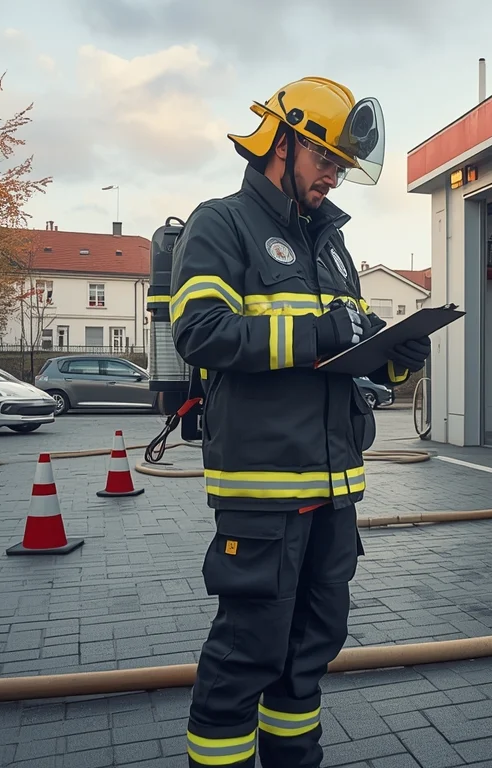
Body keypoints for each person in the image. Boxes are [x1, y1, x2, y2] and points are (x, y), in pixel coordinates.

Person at [169, 77, 431, 768]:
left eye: (342, 166)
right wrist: (317, 334)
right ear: (282, 143)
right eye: (325, 160)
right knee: (246, 653)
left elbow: (351, 355)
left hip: (334, 489)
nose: (334, 177)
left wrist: (398, 358)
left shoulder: (332, 244)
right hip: (263, 490)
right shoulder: (222, 223)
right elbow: (200, 332)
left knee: (312, 648)